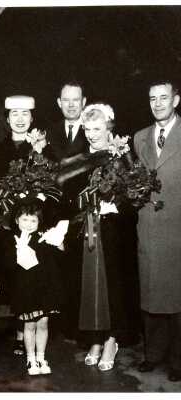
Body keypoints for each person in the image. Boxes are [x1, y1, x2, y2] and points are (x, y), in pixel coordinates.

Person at [76, 103, 139, 371]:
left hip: (115, 232)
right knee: (93, 286)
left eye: (97, 129)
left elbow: (136, 193)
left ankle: (112, 339)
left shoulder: (121, 155)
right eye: (87, 129)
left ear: (109, 128)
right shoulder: (82, 158)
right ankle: (96, 338)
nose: (92, 134)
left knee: (113, 285)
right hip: (88, 231)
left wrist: (116, 206)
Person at [134, 79, 181, 382]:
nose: (158, 104)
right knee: (151, 293)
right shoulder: (139, 138)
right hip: (148, 227)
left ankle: (178, 360)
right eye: (153, 98)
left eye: (163, 97)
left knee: (177, 296)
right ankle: (153, 354)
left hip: (177, 229)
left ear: (175, 100)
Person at [0, 95, 41, 355]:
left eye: (25, 114)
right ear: (7, 119)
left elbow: (52, 184)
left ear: (32, 118)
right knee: (14, 279)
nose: (20, 119)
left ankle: (29, 332)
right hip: (9, 225)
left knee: (33, 279)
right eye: (14, 114)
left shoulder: (42, 148)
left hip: (35, 224)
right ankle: (20, 328)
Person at [0, 198, 62, 375]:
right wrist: (19, 250)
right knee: (29, 325)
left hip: (44, 289)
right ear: (17, 220)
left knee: (43, 323)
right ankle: (30, 359)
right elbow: (7, 265)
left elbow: (55, 260)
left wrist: (59, 243)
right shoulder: (12, 239)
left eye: (33, 220)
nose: (28, 224)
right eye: (25, 219)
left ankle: (41, 357)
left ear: (39, 222)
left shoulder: (43, 238)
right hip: (25, 290)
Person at [47, 81, 89, 344]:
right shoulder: (48, 133)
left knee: (81, 273)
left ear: (84, 102)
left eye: (76, 100)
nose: (71, 105)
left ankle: (81, 327)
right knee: (58, 273)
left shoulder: (95, 128)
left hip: (83, 213)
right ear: (59, 103)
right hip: (55, 213)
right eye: (66, 100)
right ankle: (60, 326)